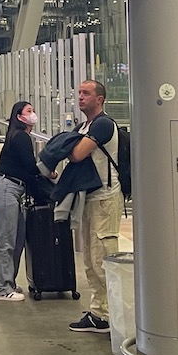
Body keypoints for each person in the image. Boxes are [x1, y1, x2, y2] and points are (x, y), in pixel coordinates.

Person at [62, 79, 125, 334]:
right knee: (89, 257)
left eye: (86, 93)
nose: (80, 97)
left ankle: (109, 315)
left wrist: (68, 147)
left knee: (103, 256)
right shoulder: (84, 126)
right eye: (78, 93)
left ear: (99, 99)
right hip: (89, 197)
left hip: (105, 198)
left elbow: (75, 154)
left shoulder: (103, 124)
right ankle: (98, 311)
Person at [0, 101, 44, 302]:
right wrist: (48, 173)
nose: (33, 114)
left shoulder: (22, 136)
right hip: (5, 189)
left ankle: (8, 283)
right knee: (5, 242)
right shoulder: (20, 137)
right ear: (19, 117)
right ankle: (0, 289)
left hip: (13, 191)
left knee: (17, 239)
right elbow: (30, 168)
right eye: (29, 111)